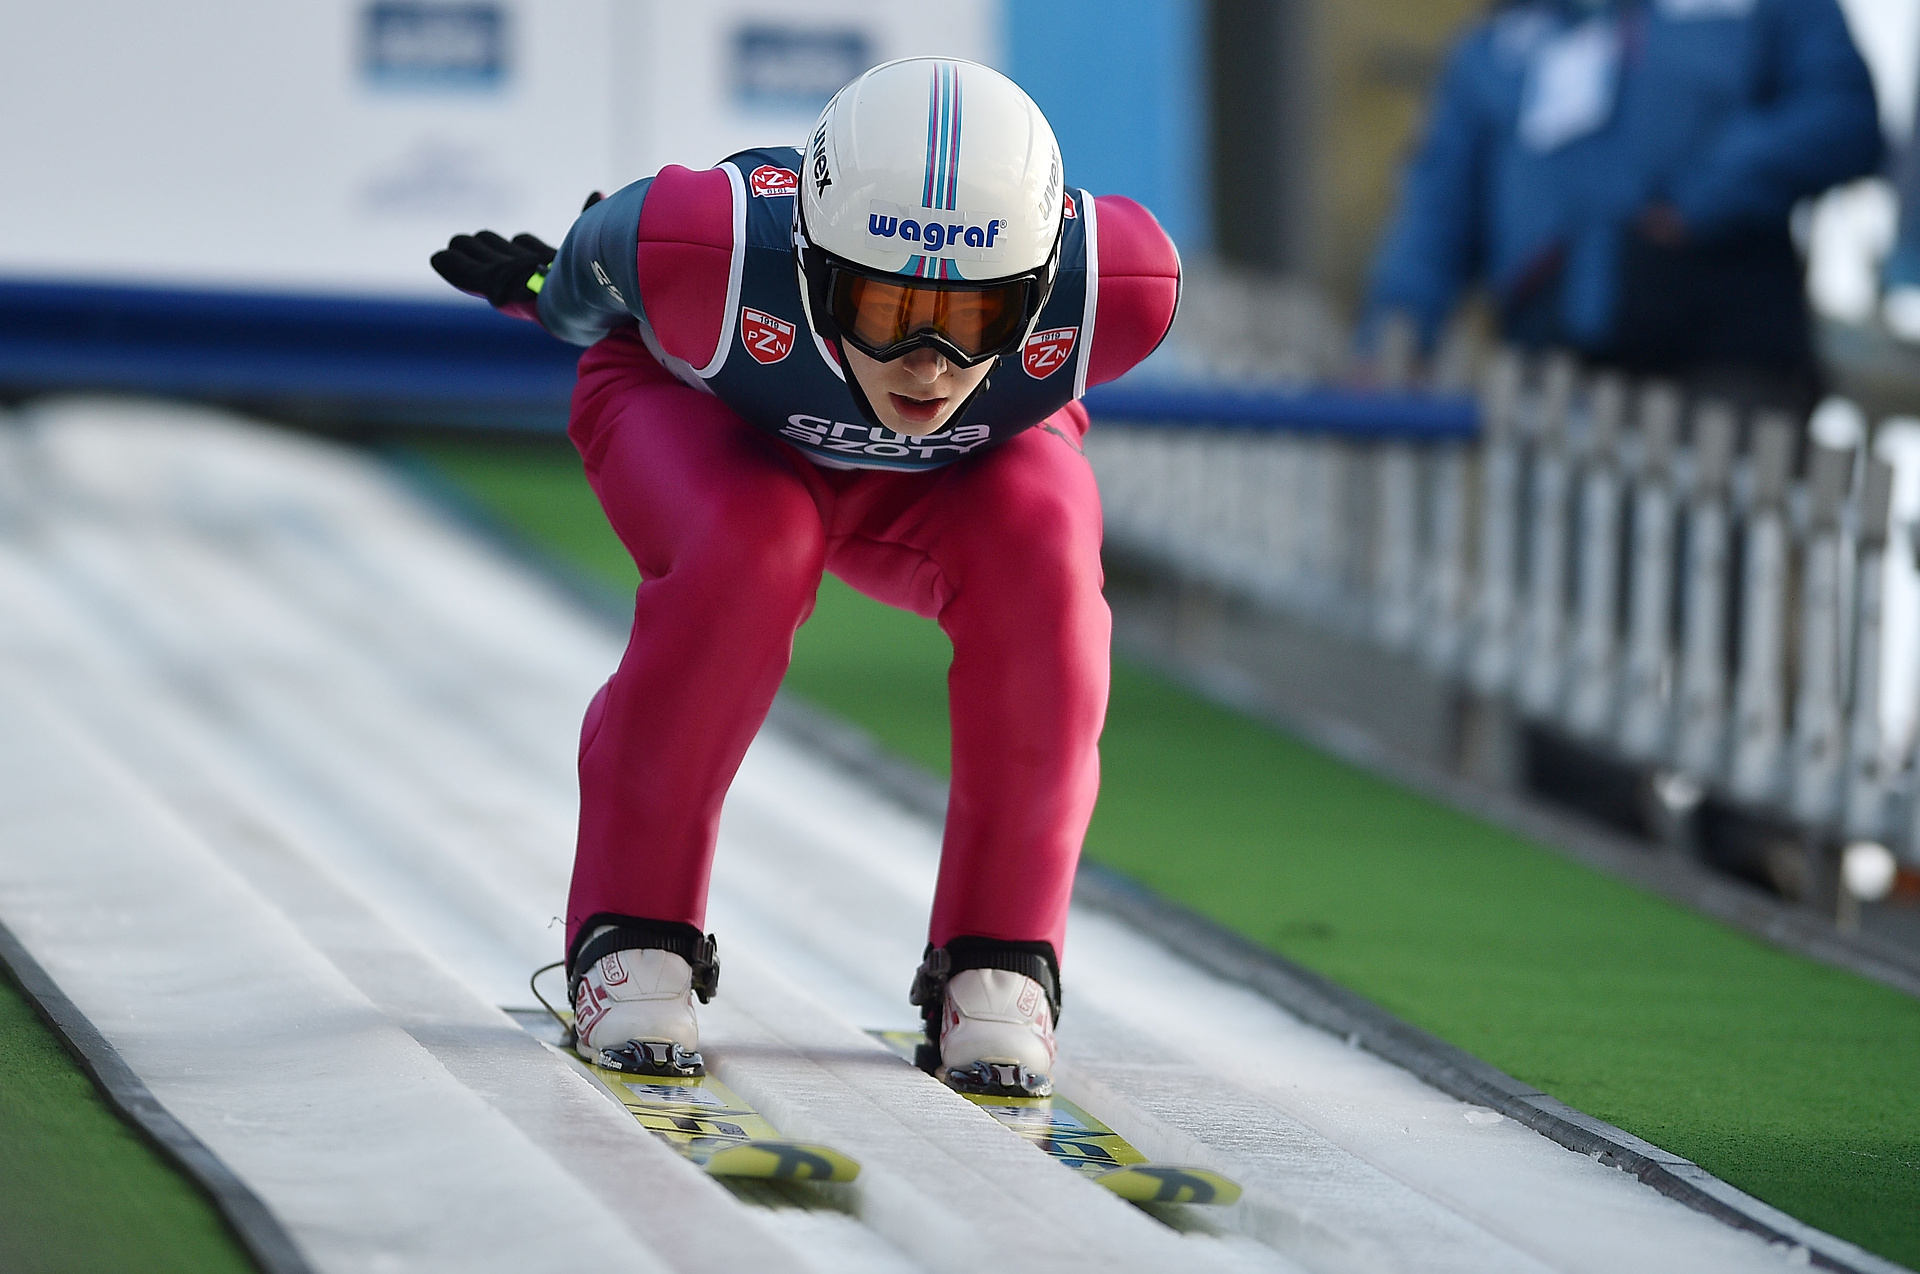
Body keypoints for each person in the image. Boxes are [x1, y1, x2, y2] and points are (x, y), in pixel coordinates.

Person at [430, 57, 1180, 1094]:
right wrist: (543, 291)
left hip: (947, 480)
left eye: (973, 319)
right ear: (815, 268)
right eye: (886, 308)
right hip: (706, 426)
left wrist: (564, 287)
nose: (926, 362)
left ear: (1040, 291)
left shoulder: (1123, 286)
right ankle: (631, 927)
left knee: (1046, 550)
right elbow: (582, 286)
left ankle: (1003, 952)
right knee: (754, 542)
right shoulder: (705, 246)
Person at [1366, 0, 1881, 412]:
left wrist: (1697, 203)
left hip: (1727, 360)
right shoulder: (1498, 43)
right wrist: (1392, 338)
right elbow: (1438, 209)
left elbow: (1841, 115)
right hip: (1550, 372)